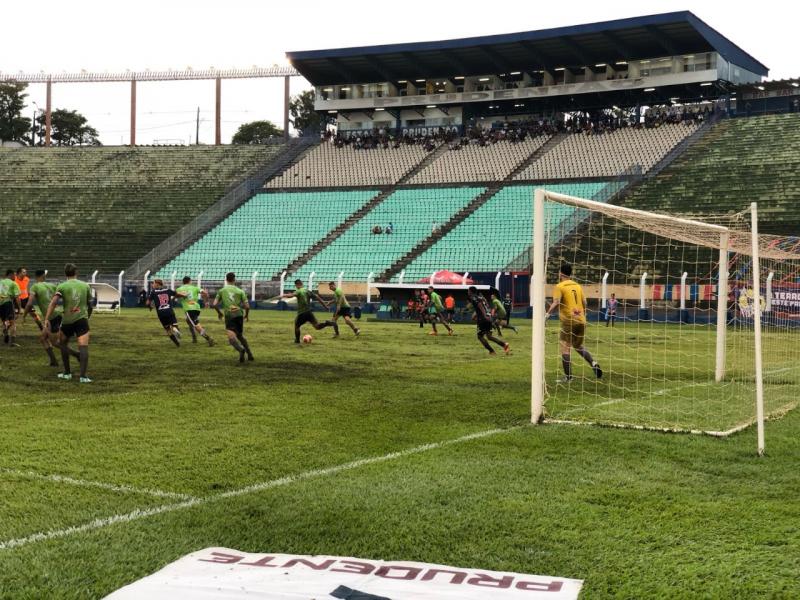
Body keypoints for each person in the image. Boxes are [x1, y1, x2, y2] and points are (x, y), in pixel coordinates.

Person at [545, 263, 603, 383]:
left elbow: (556, 302)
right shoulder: (577, 286)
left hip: (569, 320)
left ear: (560, 273)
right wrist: (582, 314)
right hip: (581, 320)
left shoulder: (559, 286)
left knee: (565, 348)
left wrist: (546, 315)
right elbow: (585, 303)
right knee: (577, 346)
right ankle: (593, 363)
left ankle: (568, 377)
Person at [44, 263, 93, 383]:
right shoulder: (85, 286)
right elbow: (90, 304)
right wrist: (88, 316)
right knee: (83, 347)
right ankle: (83, 376)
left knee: (63, 344)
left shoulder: (62, 286)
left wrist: (46, 318)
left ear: (65, 273)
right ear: (76, 272)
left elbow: (53, 303)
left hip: (67, 321)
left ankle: (67, 373)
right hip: (81, 320)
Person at [24, 270, 79, 366]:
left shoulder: (35, 287)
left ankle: (76, 354)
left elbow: (29, 304)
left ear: (36, 277)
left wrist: (24, 314)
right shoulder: (52, 286)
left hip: (51, 317)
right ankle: (53, 361)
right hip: (56, 315)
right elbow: (63, 297)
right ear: (43, 276)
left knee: (55, 343)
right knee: (43, 338)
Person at [281, 279, 338, 343]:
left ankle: (297, 340)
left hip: (302, 313)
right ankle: (326, 323)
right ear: (302, 284)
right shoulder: (307, 291)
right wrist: (325, 306)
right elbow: (317, 297)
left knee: (297, 326)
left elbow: (291, 295)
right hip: (309, 312)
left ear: (297, 285)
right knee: (317, 326)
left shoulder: (299, 291)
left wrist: (284, 295)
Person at [213, 272, 253, 362]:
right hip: (239, 315)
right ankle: (250, 354)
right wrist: (246, 315)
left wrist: (219, 313)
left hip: (229, 315)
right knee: (240, 335)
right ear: (234, 280)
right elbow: (247, 306)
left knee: (231, 338)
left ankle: (241, 350)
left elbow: (214, 304)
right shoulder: (240, 291)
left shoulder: (222, 291)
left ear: (226, 280)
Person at [468, 286, 509, 355]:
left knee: (480, 336)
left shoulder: (474, 298)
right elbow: (486, 306)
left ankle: (492, 351)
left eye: (468, 291)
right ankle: (504, 344)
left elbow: (480, 305)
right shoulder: (482, 298)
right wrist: (488, 315)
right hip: (488, 318)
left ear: (471, 291)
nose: (468, 292)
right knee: (489, 336)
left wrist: (484, 315)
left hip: (483, 319)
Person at [176, 276, 214, 345]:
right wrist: (207, 302)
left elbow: (175, 295)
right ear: (189, 281)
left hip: (189, 309)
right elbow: (205, 293)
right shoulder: (195, 287)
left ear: (183, 282)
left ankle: (208, 338)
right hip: (197, 308)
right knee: (189, 321)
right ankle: (194, 338)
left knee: (196, 325)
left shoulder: (179, 289)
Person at [146, 278, 182, 347]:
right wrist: (183, 296)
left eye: (153, 283)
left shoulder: (153, 292)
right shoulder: (168, 290)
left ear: (157, 284)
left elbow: (147, 303)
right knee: (175, 325)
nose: (152, 285)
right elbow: (176, 294)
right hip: (169, 311)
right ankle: (175, 329)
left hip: (161, 313)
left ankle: (177, 344)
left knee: (167, 329)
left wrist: (150, 307)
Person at [0, 269, 21, 347]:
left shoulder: (1, 282)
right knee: (12, 323)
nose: (15, 277)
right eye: (14, 275)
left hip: (0, 303)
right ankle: (12, 342)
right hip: (7, 303)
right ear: (11, 274)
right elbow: (17, 297)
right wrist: (19, 308)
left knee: (5, 320)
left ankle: (5, 332)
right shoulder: (13, 283)